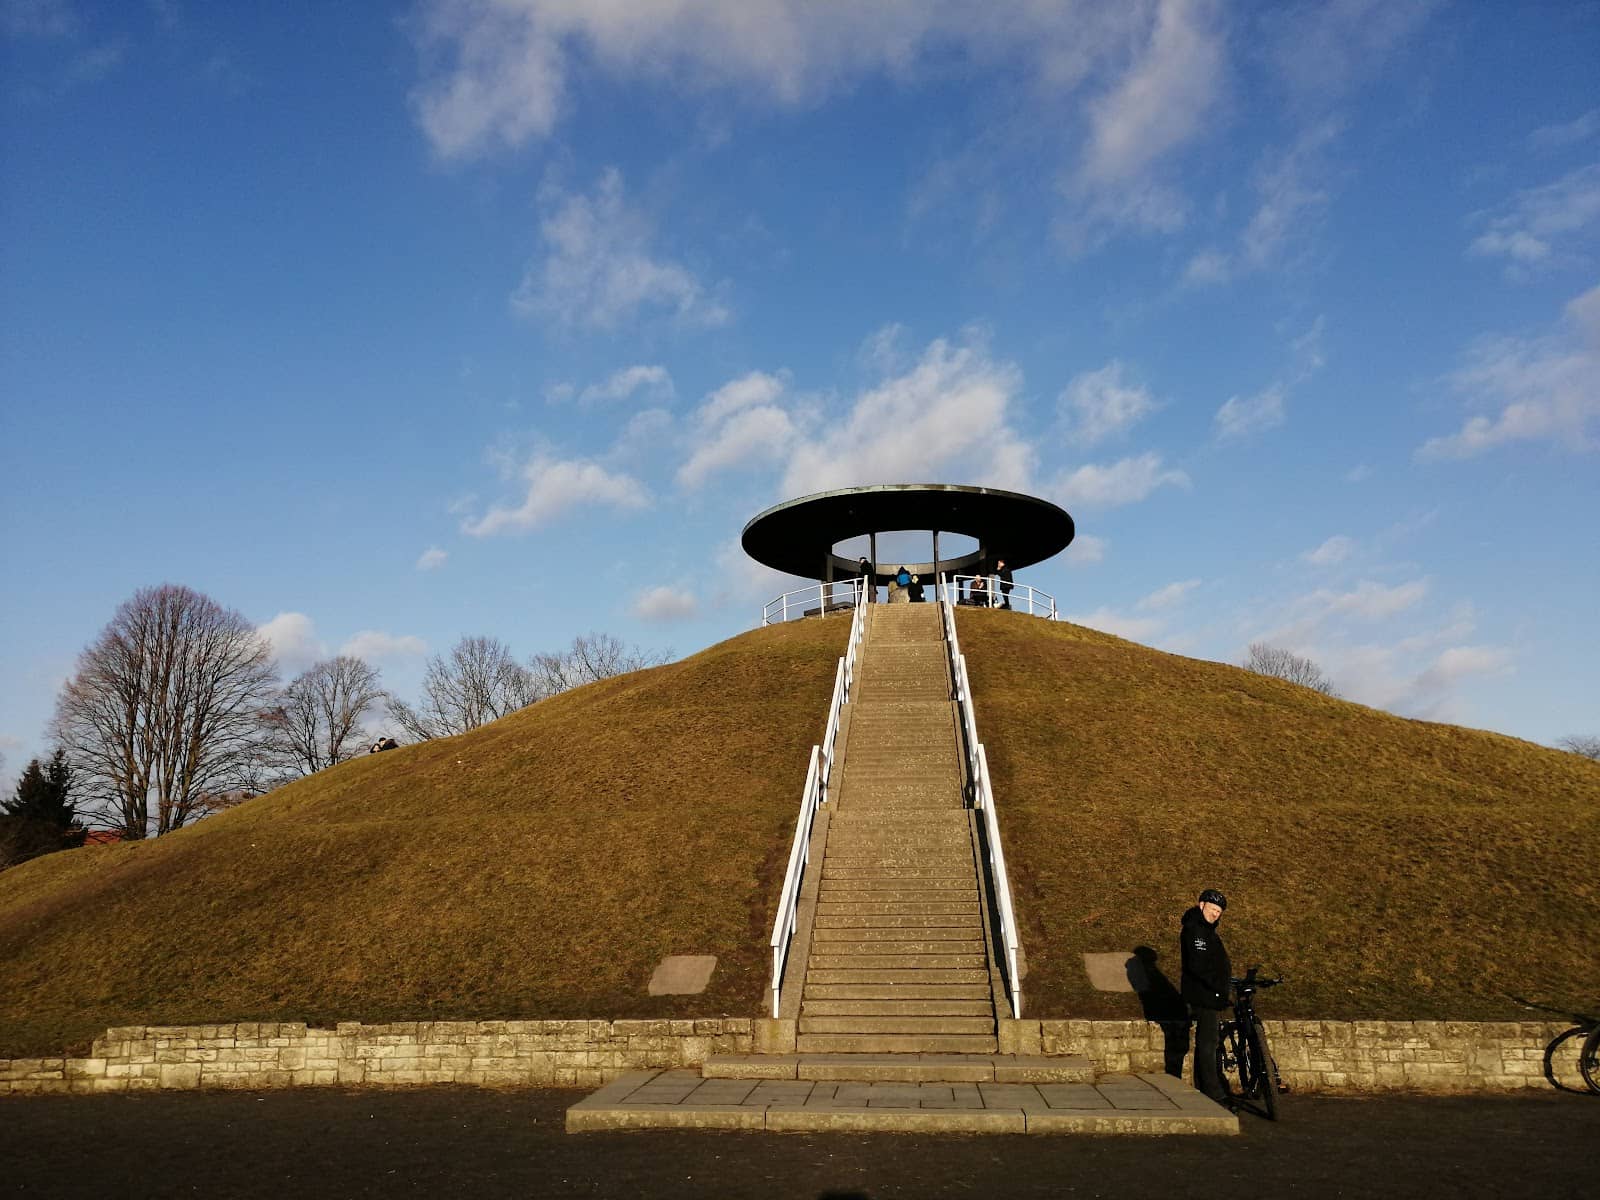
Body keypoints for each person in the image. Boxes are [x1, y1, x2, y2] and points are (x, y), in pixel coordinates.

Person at [1180, 888, 1232, 1105]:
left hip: (1210, 993)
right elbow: (1199, 966)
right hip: (1203, 995)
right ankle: (1213, 1092)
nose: (1215, 914)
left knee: (1209, 1041)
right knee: (1208, 1043)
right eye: (1212, 909)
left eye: (1219, 912)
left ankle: (1207, 1087)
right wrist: (1218, 987)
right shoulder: (1195, 931)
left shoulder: (1206, 931)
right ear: (1201, 905)